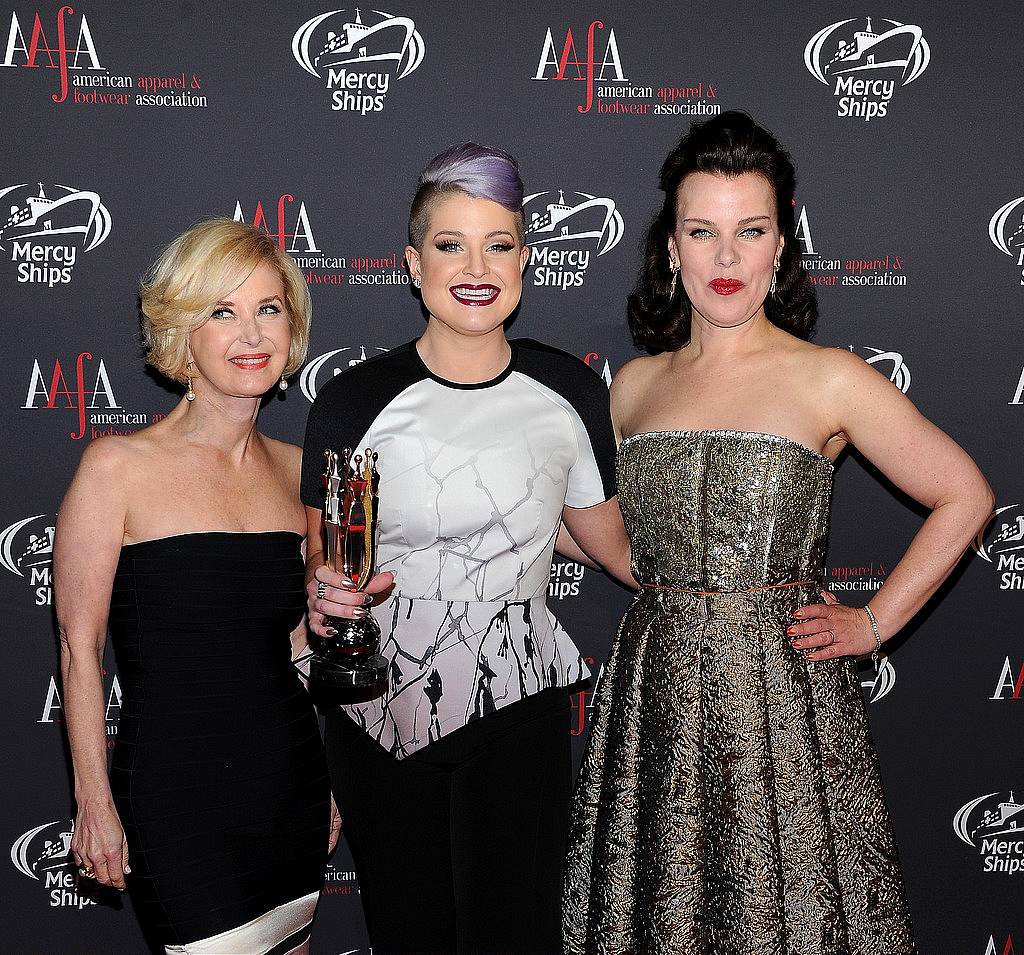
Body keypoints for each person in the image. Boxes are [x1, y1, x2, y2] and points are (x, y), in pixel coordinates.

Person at [563, 112, 993, 954]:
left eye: (749, 231)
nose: (726, 260)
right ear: (671, 248)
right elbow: (613, 541)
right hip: (654, 699)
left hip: (782, 702)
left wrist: (872, 623)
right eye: (703, 231)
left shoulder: (827, 378)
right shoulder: (632, 387)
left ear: (781, 246)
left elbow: (965, 496)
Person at [302, 143, 634, 955]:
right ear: (414, 264)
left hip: (517, 704)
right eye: (451, 244)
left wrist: (744, 581)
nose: (476, 267)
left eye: (499, 244)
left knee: (515, 934)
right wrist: (321, 592)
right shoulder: (353, 400)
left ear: (525, 259)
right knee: (409, 932)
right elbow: (321, 563)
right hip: (382, 705)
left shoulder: (572, 393)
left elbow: (620, 551)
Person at [56, 219, 337, 955]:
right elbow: (79, 647)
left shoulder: (298, 467)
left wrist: (332, 777)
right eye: (223, 311)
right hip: (179, 801)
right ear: (185, 331)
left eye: (268, 309)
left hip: (289, 783)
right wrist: (93, 801)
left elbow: (301, 646)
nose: (250, 333)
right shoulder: (116, 468)